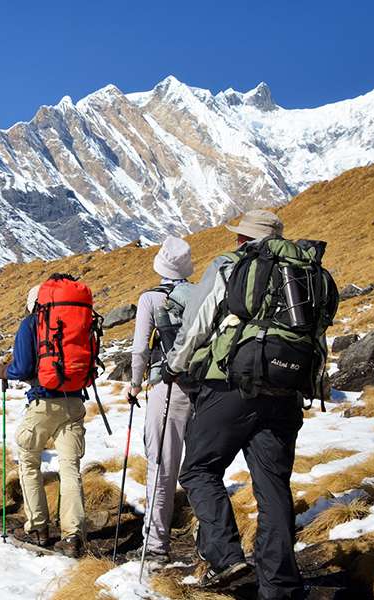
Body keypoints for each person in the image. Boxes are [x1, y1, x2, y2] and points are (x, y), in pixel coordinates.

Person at [165, 210, 319, 597]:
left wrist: (174, 365)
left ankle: (225, 556)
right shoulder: (302, 273)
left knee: (199, 469)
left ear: (242, 240)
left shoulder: (230, 265)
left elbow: (197, 323)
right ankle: (280, 586)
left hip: (231, 387)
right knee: (272, 487)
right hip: (285, 392)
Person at [0, 276, 93, 558]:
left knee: (28, 462)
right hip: (74, 401)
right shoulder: (78, 318)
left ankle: (37, 528)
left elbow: (22, 366)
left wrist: (5, 371)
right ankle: (73, 535)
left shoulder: (31, 323)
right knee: (69, 468)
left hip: (42, 403)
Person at [124, 236, 195, 565]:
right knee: (201, 468)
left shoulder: (151, 299)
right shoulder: (200, 295)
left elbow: (140, 349)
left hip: (167, 388)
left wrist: (135, 385)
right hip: (205, 390)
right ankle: (211, 543)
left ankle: (155, 547)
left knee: (162, 467)